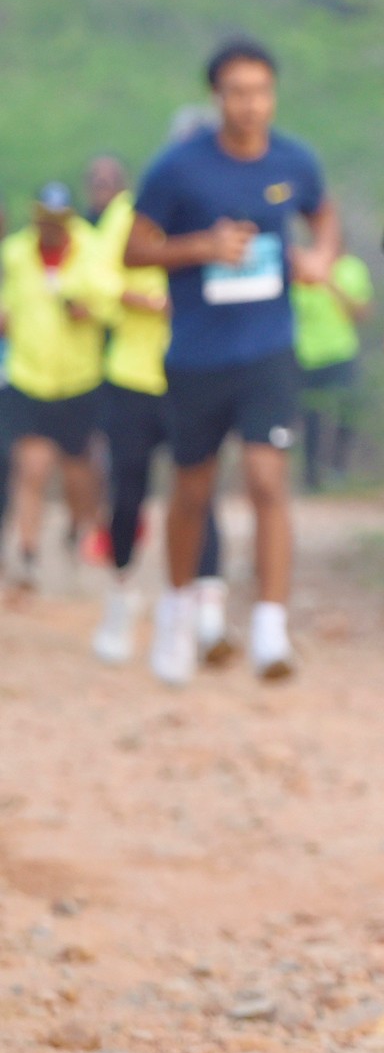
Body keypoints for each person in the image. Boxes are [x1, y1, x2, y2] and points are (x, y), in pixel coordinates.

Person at [126, 37, 339, 685]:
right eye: (238, 92)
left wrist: (320, 257)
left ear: (273, 94)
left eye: (261, 91)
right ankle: (176, 610)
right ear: (216, 96)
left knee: (268, 480)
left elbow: (322, 215)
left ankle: (271, 628)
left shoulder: (294, 160)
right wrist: (202, 247)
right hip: (197, 354)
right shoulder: (177, 167)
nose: (251, 104)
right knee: (193, 490)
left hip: (268, 348)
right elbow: (134, 250)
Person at [84, 152, 227, 667]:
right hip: (132, 376)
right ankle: (122, 595)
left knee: (199, 490)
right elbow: (95, 280)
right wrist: (140, 301)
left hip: (195, 373)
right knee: (128, 493)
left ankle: (206, 610)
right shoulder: (127, 217)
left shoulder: (217, 214)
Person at [0, 184, 109, 594]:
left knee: (78, 472)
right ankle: (27, 552)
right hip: (29, 376)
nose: (51, 226)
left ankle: (77, 532)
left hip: (78, 378)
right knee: (31, 467)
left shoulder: (91, 250)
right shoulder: (15, 254)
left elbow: (109, 299)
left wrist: (88, 309)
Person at [294, 250, 373, 489]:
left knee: (347, 412)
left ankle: (339, 470)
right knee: (311, 418)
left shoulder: (353, 268)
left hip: (342, 353)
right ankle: (311, 478)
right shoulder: (300, 267)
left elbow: (361, 313)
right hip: (306, 356)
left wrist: (328, 282)